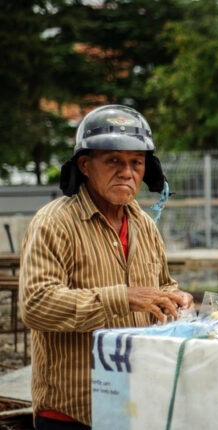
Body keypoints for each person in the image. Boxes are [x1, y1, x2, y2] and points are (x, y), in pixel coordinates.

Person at [19, 105, 193, 429]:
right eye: (113, 160)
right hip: (73, 412)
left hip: (137, 402)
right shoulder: (54, 222)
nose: (127, 172)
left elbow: (160, 286)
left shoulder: (144, 224)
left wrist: (175, 297)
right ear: (85, 165)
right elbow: (36, 305)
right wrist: (123, 297)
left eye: (136, 163)